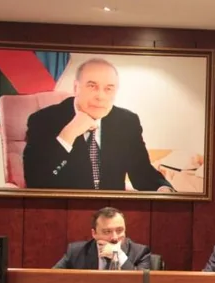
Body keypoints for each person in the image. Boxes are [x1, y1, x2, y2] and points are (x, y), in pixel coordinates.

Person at [23, 57, 173, 192]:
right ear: (76, 88)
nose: (100, 96)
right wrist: (69, 134)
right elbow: (36, 181)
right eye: (92, 86)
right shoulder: (43, 120)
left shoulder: (127, 122)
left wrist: (164, 190)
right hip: (64, 208)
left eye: (108, 89)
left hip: (111, 210)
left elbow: (142, 171)